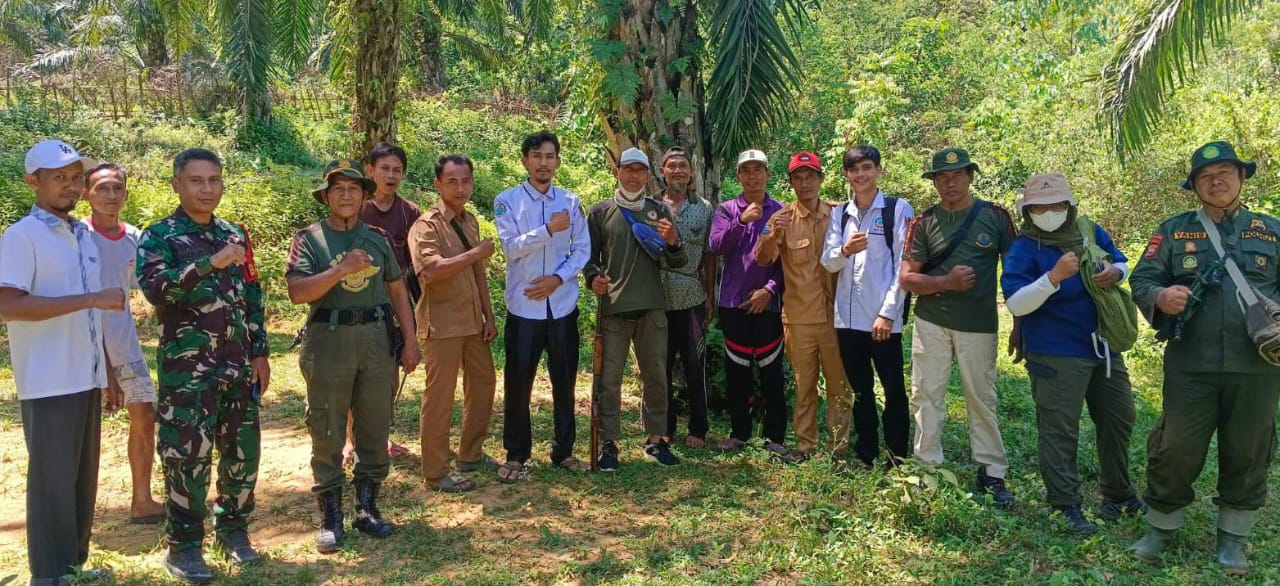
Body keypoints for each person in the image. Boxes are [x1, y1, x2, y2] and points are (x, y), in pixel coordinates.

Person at [1128, 141, 1280, 575]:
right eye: (1205, 176)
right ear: (1194, 186)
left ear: (1242, 177)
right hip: (1190, 363)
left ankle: (1233, 540)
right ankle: (1161, 526)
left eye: (1225, 173)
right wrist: (1161, 295)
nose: (1216, 182)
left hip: (1259, 365)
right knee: (1175, 447)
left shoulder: (1272, 231)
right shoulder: (1175, 231)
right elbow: (1143, 278)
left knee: (1249, 450)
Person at [137, 148, 270, 583]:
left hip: (236, 367)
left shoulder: (235, 234)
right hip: (188, 372)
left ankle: (233, 529)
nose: (206, 188)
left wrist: (260, 351)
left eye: (213, 180)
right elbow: (159, 290)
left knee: (242, 452)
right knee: (186, 457)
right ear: (176, 183)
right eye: (196, 180)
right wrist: (208, 263)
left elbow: (252, 294)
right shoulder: (159, 236)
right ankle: (185, 545)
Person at [0, 140, 123, 586]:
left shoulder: (81, 234)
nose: (70, 186)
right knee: (52, 481)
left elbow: (92, 317)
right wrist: (91, 298)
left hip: (84, 376)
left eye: (75, 177)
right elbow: (9, 304)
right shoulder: (21, 237)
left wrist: (106, 371)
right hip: (49, 379)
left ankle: (73, 565)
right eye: (59, 178)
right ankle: (49, 575)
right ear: (33, 182)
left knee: (80, 479)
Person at [286, 160, 420, 553]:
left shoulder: (377, 239)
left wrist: (410, 341)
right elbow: (298, 292)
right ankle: (330, 514)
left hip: (377, 340)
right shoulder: (310, 239)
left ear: (364, 196)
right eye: (338, 189)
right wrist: (341, 269)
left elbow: (398, 291)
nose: (346, 195)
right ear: (326, 196)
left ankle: (367, 507)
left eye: (354, 189)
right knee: (327, 425)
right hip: (329, 341)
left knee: (375, 423)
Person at [1001, 173, 1144, 536]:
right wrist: (1052, 278)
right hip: (1056, 352)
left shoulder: (1088, 232)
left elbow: (1122, 261)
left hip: (1104, 347)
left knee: (1119, 419)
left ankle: (1119, 494)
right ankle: (1065, 505)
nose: (1049, 212)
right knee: (1060, 430)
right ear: (1028, 211)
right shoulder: (1024, 248)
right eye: (1040, 207)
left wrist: (1116, 272)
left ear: (1070, 205)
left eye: (1056, 205)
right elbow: (1016, 303)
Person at [899, 147, 1016, 506]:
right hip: (931, 322)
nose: (950, 182)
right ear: (934, 182)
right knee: (926, 394)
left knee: (981, 398)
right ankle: (927, 468)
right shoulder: (924, 222)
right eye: (942, 177)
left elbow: (1016, 272)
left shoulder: (995, 217)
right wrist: (944, 283)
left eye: (957, 175)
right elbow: (907, 278)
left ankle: (992, 471)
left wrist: (1022, 321)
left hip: (978, 325)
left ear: (970, 177)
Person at [493, 132, 590, 481]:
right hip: (524, 308)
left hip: (561, 306)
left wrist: (558, 279)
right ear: (525, 161)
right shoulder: (508, 201)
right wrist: (548, 229)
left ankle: (564, 450)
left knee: (564, 380)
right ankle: (517, 453)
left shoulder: (571, 200)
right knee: (519, 382)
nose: (543, 163)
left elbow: (582, 249)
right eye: (536, 156)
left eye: (550, 156)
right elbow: (511, 247)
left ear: (558, 162)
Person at [582, 147, 687, 471]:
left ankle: (657, 440)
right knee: (609, 380)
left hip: (653, 308)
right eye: (627, 169)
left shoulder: (659, 211)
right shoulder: (601, 213)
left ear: (647, 175)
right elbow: (588, 259)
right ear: (617, 172)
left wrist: (673, 242)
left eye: (639, 170)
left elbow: (679, 261)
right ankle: (609, 444)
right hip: (614, 308)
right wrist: (593, 279)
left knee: (656, 376)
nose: (633, 175)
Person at [81, 162, 167, 525]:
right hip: (82, 346)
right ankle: (75, 510)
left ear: (126, 195)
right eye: (102, 188)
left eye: (117, 188)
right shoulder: (76, 237)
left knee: (145, 415)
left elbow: (148, 289)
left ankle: (142, 500)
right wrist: (106, 371)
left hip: (124, 343)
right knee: (81, 430)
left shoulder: (134, 237)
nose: (110, 196)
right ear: (86, 194)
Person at [408, 154, 498, 492]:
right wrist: (476, 253)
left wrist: (489, 316)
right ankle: (435, 471)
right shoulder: (426, 226)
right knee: (440, 398)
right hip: (442, 323)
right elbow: (430, 271)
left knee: (484, 385)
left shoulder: (470, 221)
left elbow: (478, 273)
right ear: (438, 184)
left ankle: (471, 454)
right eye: (452, 181)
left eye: (466, 181)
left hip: (473, 322)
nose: (460, 188)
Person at [754, 151, 851, 463]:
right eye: (799, 177)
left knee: (839, 385)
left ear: (821, 179)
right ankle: (805, 445)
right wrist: (773, 234)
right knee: (804, 384)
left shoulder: (840, 214)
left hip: (837, 317)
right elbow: (763, 258)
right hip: (799, 318)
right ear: (791, 182)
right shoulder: (781, 219)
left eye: (811, 176)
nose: (805, 182)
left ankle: (839, 447)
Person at [822, 145, 914, 468]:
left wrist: (888, 314)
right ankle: (867, 452)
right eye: (854, 169)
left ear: (878, 170)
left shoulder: (896, 210)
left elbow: (904, 267)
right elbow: (828, 262)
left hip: (882, 321)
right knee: (860, 391)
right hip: (847, 322)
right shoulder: (840, 214)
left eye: (866, 167)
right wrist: (844, 250)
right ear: (846, 175)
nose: (860, 174)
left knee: (893, 390)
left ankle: (897, 455)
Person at [709, 149, 788, 456]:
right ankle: (739, 432)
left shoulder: (781, 212)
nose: (753, 176)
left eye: (758, 170)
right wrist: (741, 221)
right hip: (733, 303)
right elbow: (716, 246)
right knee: (737, 371)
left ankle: (775, 436)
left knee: (771, 370)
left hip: (768, 304)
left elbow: (788, 262)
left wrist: (769, 288)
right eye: (746, 171)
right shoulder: (727, 210)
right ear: (738, 176)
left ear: (768, 174)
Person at [348, 142, 421, 462]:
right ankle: (351, 441)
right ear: (370, 171)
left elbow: (416, 264)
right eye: (384, 169)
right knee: (354, 373)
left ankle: (381, 438)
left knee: (389, 373)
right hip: (356, 302)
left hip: (395, 305)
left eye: (397, 170)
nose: (391, 176)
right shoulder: (355, 208)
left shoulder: (410, 212)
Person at [658, 146, 716, 448]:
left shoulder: (704, 208)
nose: (677, 170)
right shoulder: (651, 206)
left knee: (695, 364)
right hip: (656, 297)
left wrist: (710, 293)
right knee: (659, 364)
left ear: (691, 172)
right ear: (662, 171)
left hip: (691, 295)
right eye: (672, 166)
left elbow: (709, 253)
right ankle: (662, 426)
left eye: (683, 165)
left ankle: (698, 428)